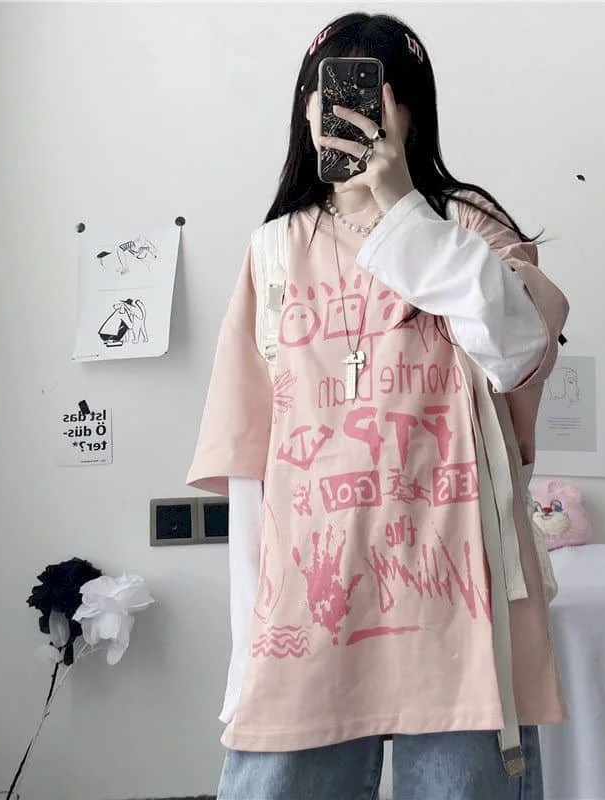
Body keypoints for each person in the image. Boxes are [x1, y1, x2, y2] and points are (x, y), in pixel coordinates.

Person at [187, 12, 569, 800]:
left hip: (459, 592)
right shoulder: (274, 250)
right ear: (306, 110)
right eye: (332, 91)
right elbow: (254, 464)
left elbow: (518, 351)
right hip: (309, 599)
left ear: (412, 112)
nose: (356, 110)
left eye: (377, 91)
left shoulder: (465, 226)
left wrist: (403, 210)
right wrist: (247, 643)